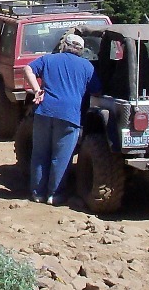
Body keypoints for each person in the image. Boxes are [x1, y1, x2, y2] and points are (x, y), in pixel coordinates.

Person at [23, 32, 101, 206]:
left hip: (44, 110)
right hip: (69, 116)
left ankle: (37, 193)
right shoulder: (87, 67)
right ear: (81, 50)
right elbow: (97, 91)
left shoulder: (48, 60)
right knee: (61, 157)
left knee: (40, 153)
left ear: (64, 45)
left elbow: (27, 68)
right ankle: (54, 195)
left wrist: (37, 90)